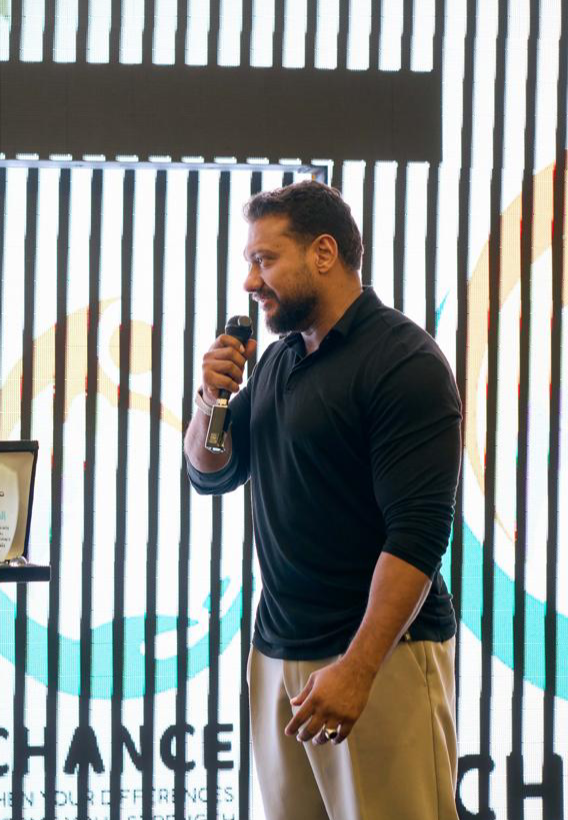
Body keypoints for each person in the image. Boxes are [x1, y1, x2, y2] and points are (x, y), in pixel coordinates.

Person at [184, 181, 461, 820]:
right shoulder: (280, 361)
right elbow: (210, 472)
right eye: (249, 262)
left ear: (324, 253)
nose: (250, 282)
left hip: (380, 658)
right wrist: (211, 400)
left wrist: (359, 669)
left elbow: (418, 536)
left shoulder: (403, 361)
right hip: (279, 656)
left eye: (265, 259)